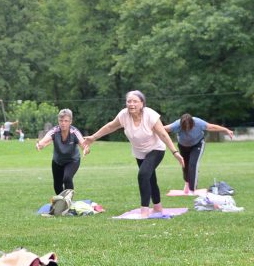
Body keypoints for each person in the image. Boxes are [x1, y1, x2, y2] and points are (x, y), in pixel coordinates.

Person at [83, 90, 183, 218]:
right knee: (150, 179)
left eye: (135, 101)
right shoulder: (124, 115)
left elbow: (163, 134)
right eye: (129, 101)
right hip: (139, 152)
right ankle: (158, 207)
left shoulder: (150, 115)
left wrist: (174, 152)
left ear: (142, 103)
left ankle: (144, 211)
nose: (131, 104)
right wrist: (93, 137)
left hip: (156, 149)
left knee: (143, 175)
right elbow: (110, 126)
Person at [165, 114, 234, 194]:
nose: (187, 129)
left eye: (189, 127)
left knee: (193, 164)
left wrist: (226, 130)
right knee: (185, 166)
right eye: (185, 127)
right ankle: (187, 183)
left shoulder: (198, 122)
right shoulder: (177, 124)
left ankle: (192, 190)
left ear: (192, 123)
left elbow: (212, 127)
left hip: (197, 144)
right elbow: (162, 129)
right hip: (183, 146)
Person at [35, 109, 89, 195]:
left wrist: (86, 150)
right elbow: (45, 140)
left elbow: (84, 144)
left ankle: (69, 201)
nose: (63, 123)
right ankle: (62, 203)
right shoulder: (54, 131)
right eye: (61, 121)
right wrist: (40, 145)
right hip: (57, 161)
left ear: (70, 121)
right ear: (58, 121)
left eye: (66, 121)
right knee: (57, 185)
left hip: (72, 161)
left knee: (67, 178)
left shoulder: (74, 132)